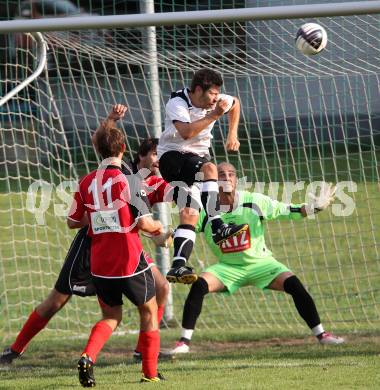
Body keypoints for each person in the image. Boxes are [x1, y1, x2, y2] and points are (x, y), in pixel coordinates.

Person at [0, 105, 171, 366]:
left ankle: (143, 352)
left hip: (124, 244)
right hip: (93, 243)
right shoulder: (123, 169)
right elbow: (100, 141)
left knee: (161, 287)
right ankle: (15, 349)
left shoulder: (140, 178)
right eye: (155, 154)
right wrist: (111, 120)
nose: (158, 160)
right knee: (57, 300)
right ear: (137, 154)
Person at [170, 162, 344, 354]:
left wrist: (314, 208)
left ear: (237, 180)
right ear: (212, 182)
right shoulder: (205, 212)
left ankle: (322, 335)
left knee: (295, 285)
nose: (227, 178)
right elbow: (185, 231)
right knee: (199, 285)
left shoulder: (254, 201)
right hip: (228, 268)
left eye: (231, 174)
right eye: (221, 174)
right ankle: (183, 343)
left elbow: (289, 211)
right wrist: (166, 236)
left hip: (261, 264)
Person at [68, 121, 165, 385]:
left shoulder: (87, 181)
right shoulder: (130, 181)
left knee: (111, 316)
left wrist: (100, 217)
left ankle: (88, 356)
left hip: (99, 263)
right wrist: (159, 227)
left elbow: (73, 221)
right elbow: (145, 224)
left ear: (98, 150)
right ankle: (150, 373)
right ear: (123, 148)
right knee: (149, 310)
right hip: (129, 259)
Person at [158, 68, 248, 284]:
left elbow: (234, 102)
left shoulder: (215, 101)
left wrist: (232, 133)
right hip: (172, 158)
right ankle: (217, 225)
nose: (216, 99)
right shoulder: (177, 102)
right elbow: (187, 133)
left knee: (190, 214)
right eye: (212, 94)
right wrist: (215, 115)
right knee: (210, 170)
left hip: (193, 160)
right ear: (198, 90)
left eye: (218, 95)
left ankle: (177, 266)